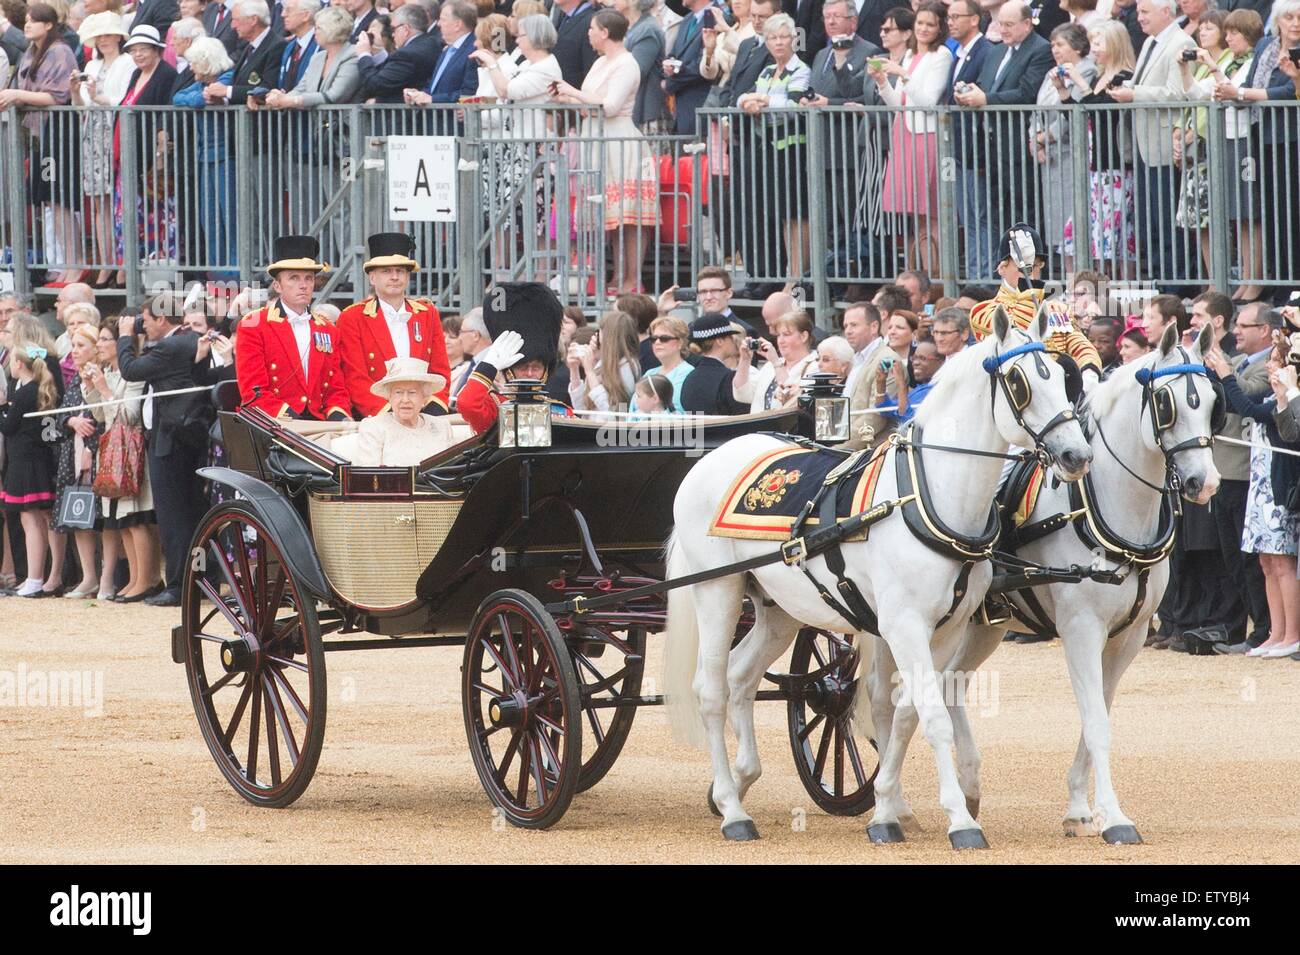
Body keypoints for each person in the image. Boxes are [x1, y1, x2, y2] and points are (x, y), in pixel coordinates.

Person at [554, 9, 659, 295]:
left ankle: (632, 278)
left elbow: (610, 106)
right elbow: (590, 103)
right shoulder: (601, 62)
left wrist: (573, 92)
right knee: (612, 217)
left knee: (630, 216)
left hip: (620, 140)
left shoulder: (627, 63)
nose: (588, 33)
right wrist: (566, 99)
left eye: (592, 28)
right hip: (597, 138)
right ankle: (618, 274)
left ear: (605, 32)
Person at [1208, 343, 1300, 658]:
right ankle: (1276, 632)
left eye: (1276, 361)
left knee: (1282, 561)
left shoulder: (1287, 400)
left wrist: (1226, 375)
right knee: (1266, 562)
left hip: (1281, 486)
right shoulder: (1273, 397)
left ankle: (1292, 634)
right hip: (1261, 486)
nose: (1270, 366)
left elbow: (1248, 409)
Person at [115, 292, 208, 606]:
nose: (143, 326)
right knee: (189, 513)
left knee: (174, 516)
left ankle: (179, 586)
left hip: (171, 440)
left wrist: (125, 336)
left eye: (146, 320)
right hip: (181, 437)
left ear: (162, 318)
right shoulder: (188, 340)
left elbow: (130, 369)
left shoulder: (171, 346)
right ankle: (198, 581)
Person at [952, 2, 1054, 278]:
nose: (1003, 30)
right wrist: (970, 93)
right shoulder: (996, 51)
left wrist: (985, 99)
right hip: (992, 147)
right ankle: (1009, 273)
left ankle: (1031, 275)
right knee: (1002, 215)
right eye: (1000, 24)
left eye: (1009, 25)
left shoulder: (1041, 49)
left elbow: (1027, 92)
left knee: (1025, 214)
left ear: (1027, 23)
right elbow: (985, 86)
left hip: (1019, 146)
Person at [1105, 0, 1195, 291]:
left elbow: (1178, 93)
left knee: (1168, 222)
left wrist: (1134, 94)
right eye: (1139, 12)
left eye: (1145, 12)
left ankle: (1177, 285)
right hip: (1145, 145)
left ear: (1166, 12)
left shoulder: (1181, 42)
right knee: (1151, 222)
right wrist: (1126, 88)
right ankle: (1160, 281)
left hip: (1165, 145)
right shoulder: (1149, 43)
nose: (1139, 17)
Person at [1222, 1, 1300, 304]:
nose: (1295, 23)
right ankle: (1278, 277)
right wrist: (1236, 92)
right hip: (1261, 135)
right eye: (1289, 17)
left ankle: (1291, 282)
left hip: (1291, 137)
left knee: (1291, 210)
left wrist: (1242, 94)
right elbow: (1252, 80)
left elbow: (1288, 93)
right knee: (1271, 211)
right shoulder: (1267, 45)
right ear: (1278, 20)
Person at [0, 4, 81, 285]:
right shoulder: (30, 53)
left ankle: (74, 263)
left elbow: (57, 96)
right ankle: (66, 263)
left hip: (57, 131)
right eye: (26, 20)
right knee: (48, 199)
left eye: (34, 21)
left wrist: (17, 95)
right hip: (38, 134)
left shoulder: (60, 51)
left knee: (59, 198)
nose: (27, 25)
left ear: (48, 24)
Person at [969, 224, 1104, 388]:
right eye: (1024, 267)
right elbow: (1023, 335)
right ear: (1002, 268)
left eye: (1036, 266)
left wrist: (1089, 371)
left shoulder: (1058, 308)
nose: (1031, 273)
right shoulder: (983, 311)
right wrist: (1028, 290)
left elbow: (1078, 344)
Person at [234, 236, 351, 422]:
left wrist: (340, 419)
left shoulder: (328, 329)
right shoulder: (254, 325)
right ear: (277, 286)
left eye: (308, 278)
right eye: (294, 278)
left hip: (319, 423)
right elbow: (253, 392)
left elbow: (336, 389)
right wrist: (296, 423)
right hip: (273, 422)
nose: (303, 285)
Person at [83, 320, 160, 602]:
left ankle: (148, 579)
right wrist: (92, 388)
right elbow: (101, 417)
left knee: (136, 518)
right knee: (122, 521)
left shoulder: (133, 375)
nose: (99, 345)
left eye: (105, 339)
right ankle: (135, 578)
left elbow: (129, 415)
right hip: (112, 452)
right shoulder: (108, 373)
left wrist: (105, 390)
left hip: (131, 452)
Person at [336, 233, 451, 418]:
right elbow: (355, 377)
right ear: (372, 277)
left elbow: (440, 369)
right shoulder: (353, 317)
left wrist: (433, 410)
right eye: (386, 271)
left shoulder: (427, 313)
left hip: (423, 414)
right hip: (377, 416)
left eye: (400, 271)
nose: (395, 277)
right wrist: (390, 414)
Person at [873, 3, 951, 273]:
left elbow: (928, 102)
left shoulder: (941, 55)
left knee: (931, 213)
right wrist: (882, 81)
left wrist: (903, 74)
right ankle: (920, 275)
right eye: (920, 23)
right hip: (904, 133)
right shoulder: (909, 55)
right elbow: (899, 103)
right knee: (915, 215)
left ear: (940, 28)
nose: (923, 29)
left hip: (927, 137)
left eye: (930, 24)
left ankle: (937, 277)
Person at [736, 13, 812, 283]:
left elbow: (794, 105)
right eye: (773, 38)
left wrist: (764, 102)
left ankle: (797, 277)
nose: (779, 42)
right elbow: (743, 97)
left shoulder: (800, 69)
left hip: (793, 150)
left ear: (793, 39)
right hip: (770, 148)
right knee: (783, 215)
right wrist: (749, 101)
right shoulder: (767, 71)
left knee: (797, 214)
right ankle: (791, 274)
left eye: (783, 37)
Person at [457, 282, 570, 434]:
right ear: (508, 368)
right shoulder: (494, 407)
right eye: (522, 367)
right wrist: (489, 364)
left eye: (536, 367)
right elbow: (467, 403)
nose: (530, 373)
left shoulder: (560, 411)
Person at [74, 11, 133, 289]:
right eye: (99, 36)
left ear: (119, 36)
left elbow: (123, 100)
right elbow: (81, 105)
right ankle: (106, 263)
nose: (104, 40)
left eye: (109, 34)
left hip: (115, 130)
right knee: (99, 202)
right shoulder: (92, 64)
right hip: (93, 133)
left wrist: (98, 97)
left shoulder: (127, 62)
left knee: (116, 202)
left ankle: (121, 265)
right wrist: (75, 91)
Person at [1170, 9, 1230, 278]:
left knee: (1216, 218)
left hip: (1213, 146)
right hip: (1197, 149)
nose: (1202, 32)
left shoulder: (1228, 60)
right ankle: (1213, 279)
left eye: (1210, 28)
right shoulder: (1202, 62)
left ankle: (1223, 279)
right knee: (1201, 222)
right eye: (1201, 28)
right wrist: (1179, 132)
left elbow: (1214, 99)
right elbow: (1192, 94)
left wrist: (1193, 132)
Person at [1032, 23, 1097, 265]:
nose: (1055, 50)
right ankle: (1069, 276)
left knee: (1074, 219)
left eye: (1060, 44)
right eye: (1053, 45)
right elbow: (1036, 109)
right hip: (1050, 155)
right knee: (1057, 221)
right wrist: (1034, 138)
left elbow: (1072, 111)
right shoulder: (1052, 72)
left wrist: (1044, 138)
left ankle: (1080, 274)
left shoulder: (1087, 70)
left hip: (1073, 152)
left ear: (1077, 47)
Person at [172, 36, 236, 278]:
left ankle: (233, 274)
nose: (191, 68)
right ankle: (217, 274)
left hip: (227, 158)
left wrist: (200, 99)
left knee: (229, 219)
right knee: (209, 219)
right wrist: (199, 100)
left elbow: (201, 98)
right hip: (205, 158)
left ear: (207, 62)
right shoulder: (203, 84)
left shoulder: (227, 78)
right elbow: (179, 98)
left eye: (195, 63)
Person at [0, 345, 60, 598]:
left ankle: (35, 578)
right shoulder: (34, 389)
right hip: (31, 459)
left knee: (31, 519)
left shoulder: (27, 391)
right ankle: (35, 577)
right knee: (35, 518)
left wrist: (1, 406)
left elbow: (8, 426)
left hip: (27, 461)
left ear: (19, 364)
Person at [49, 323, 104, 599]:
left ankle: (109, 576)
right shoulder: (74, 380)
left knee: (101, 518)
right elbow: (61, 413)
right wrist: (71, 420)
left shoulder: (102, 376)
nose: (75, 351)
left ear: (95, 348)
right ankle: (88, 576)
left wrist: (91, 449)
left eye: (81, 345)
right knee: (78, 515)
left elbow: (104, 416)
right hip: (72, 453)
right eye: (73, 345)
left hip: (96, 453)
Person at [353, 358, 455, 466]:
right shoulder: (374, 428)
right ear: (389, 397)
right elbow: (369, 473)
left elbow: (452, 470)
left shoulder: (442, 427)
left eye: (412, 392)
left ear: (424, 397)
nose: (405, 400)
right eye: (398, 392)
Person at [733, 309, 818, 411]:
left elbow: (790, 398)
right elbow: (742, 394)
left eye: (786, 334)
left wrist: (776, 362)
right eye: (778, 335)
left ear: (804, 336)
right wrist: (745, 360)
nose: (780, 341)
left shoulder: (816, 366)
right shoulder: (769, 366)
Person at [354, 1, 437, 102]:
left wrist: (364, 54)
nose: (392, 35)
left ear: (406, 29)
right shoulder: (433, 43)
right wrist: (377, 53)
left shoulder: (406, 55)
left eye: (393, 29)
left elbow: (375, 85)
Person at [405, 0, 477, 107]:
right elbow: (435, 86)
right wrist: (418, 95)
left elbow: (469, 92)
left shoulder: (474, 50)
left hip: (453, 116)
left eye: (443, 19)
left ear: (457, 25)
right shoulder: (447, 49)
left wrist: (433, 99)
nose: (438, 24)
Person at [568, 310, 641, 412]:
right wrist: (574, 369)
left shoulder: (629, 365)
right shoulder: (602, 363)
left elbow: (612, 412)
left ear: (610, 336)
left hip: (610, 423)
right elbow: (581, 407)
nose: (596, 336)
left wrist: (589, 371)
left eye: (600, 332)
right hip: (589, 422)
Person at [677, 312, 748, 414]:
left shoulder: (690, 378)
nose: (734, 342)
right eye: (731, 337)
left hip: (697, 424)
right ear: (720, 341)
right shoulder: (728, 378)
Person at [661, 0, 715, 136]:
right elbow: (674, 54)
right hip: (682, 110)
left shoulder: (716, 17)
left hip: (701, 107)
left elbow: (705, 66)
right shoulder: (687, 19)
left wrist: (670, 82)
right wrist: (669, 65)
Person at [641, 315, 693, 401]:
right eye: (654, 338)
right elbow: (632, 404)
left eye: (664, 338)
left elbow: (674, 404)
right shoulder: (649, 373)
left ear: (680, 343)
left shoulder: (688, 373)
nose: (657, 342)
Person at [552, 0, 599, 89]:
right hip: (562, 91)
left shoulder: (591, 21)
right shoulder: (564, 17)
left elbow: (589, 66)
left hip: (576, 92)